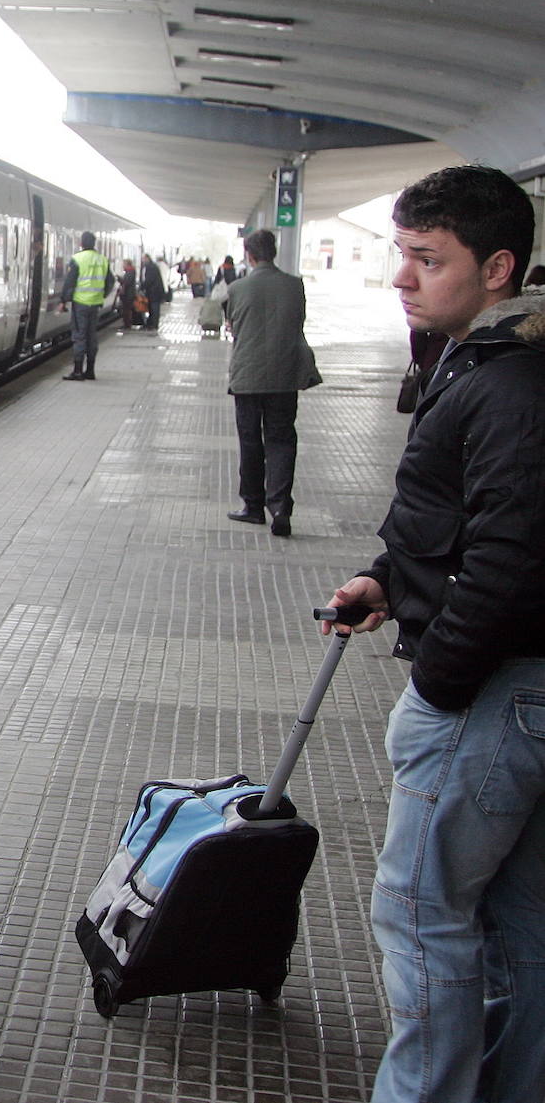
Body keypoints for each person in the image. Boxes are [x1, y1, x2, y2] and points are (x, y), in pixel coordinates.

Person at [322, 164, 545, 1103]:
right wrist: (391, 578)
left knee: (419, 915)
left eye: (427, 258)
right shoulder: (485, 363)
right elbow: (464, 517)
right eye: (401, 253)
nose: (402, 277)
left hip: (493, 691)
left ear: (498, 268)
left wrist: (436, 687)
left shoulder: (509, 385)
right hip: (522, 687)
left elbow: (510, 561)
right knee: (523, 929)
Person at [224, 229, 321, 537]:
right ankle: (280, 507)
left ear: (249, 255)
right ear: (274, 252)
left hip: (248, 377)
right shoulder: (295, 286)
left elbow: (233, 326)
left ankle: (253, 506)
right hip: (284, 376)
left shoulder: (237, 288)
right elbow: (296, 322)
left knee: (250, 440)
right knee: (281, 439)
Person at [58, 230, 112, 380]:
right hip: (95, 304)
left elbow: (70, 282)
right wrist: (102, 295)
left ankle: (77, 371)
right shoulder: (102, 259)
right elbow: (110, 281)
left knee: (79, 336)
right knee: (91, 336)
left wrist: (63, 301)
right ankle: (90, 370)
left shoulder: (77, 259)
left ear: (81, 243)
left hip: (80, 303)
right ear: (94, 243)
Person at [138, 254, 166, 331]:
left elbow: (149, 280)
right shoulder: (152, 266)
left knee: (154, 309)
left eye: (143, 259)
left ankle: (153, 325)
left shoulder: (150, 267)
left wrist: (141, 287)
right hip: (154, 291)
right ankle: (151, 324)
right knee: (152, 308)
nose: (142, 261)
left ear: (147, 258)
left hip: (154, 292)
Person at [116, 258, 137, 332]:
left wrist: (119, 279)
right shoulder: (130, 271)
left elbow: (127, 282)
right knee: (126, 310)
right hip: (128, 294)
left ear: (127, 264)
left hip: (128, 294)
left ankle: (127, 325)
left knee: (127, 310)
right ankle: (126, 324)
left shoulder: (130, 271)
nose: (123, 266)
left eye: (124, 264)